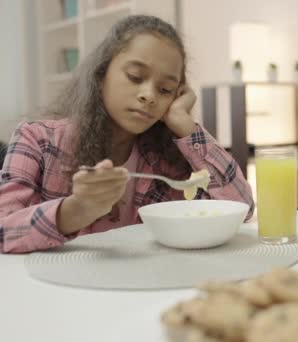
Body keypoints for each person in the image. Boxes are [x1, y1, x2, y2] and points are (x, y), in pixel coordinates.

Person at [0, 15, 254, 254]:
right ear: (102, 75)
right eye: (135, 77)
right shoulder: (38, 140)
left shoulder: (169, 159)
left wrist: (184, 123)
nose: (150, 95)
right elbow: (4, 230)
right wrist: (75, 210)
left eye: (165, 89)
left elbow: (241, 207)